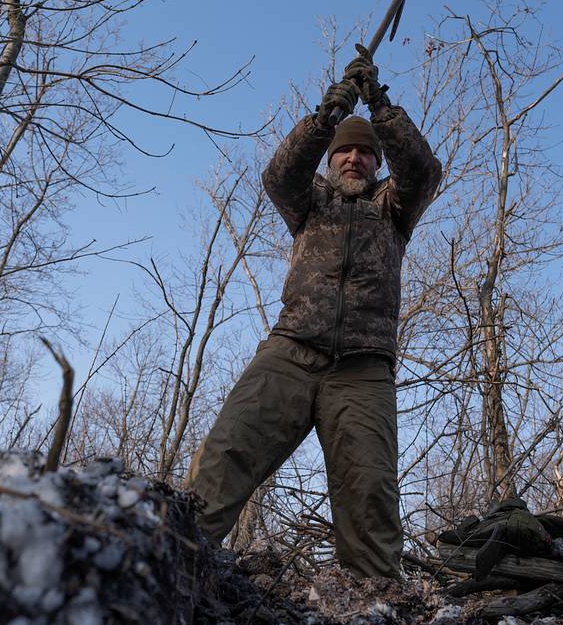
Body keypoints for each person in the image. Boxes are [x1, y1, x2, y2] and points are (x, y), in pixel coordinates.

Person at [186, 45, 442, 578]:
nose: (354, 158)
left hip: (363, 371)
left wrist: (379, 106)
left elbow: (424, 170)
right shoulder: (310, 203)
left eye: (365, 153)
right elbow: (279, 174)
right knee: (226, 454)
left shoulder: (392, 209)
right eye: (343, 153)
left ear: (376, 163)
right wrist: (326, 118)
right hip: (291, 351)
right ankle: (176, 561)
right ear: (330, 161)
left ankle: (375, 616)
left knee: (369, 489)